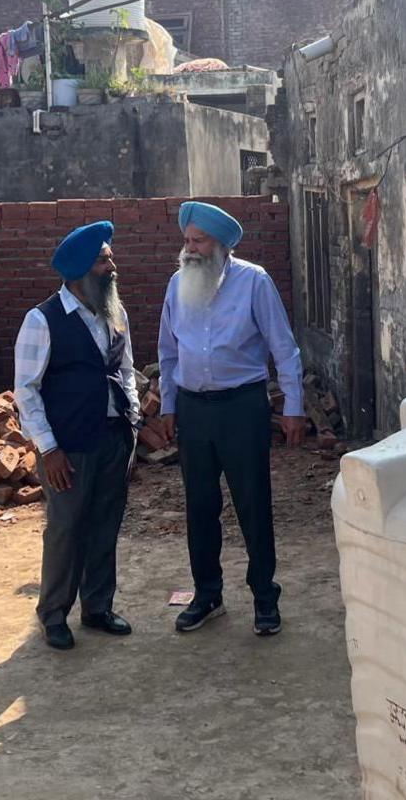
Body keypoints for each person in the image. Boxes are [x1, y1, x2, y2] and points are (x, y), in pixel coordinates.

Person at [157, 202, 304, 637]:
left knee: (252, 504)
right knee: (200, 506)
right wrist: (168, 404)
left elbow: (284, 347)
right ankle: (208, 595)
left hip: (242, 408)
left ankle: (264, 597)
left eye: (198, 241)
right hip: (193, 409)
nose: (190, 249)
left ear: (221, 245)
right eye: (187, 240)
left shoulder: (254, 282)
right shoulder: (176, 284)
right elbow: (167, 351)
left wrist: (293, 406)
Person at [13, 221, 141, 651]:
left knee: (105, 523)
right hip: (67, 446)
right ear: (80, 270)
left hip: (113, 437)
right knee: (67, 529)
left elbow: (125, 371)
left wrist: (134, 420)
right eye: (104, 260)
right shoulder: (42, 319)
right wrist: (48, 449)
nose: (112, 266)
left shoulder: (114, 312)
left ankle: (98, 608)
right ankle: (53, 615)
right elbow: (26, 390)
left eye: (109, 257)